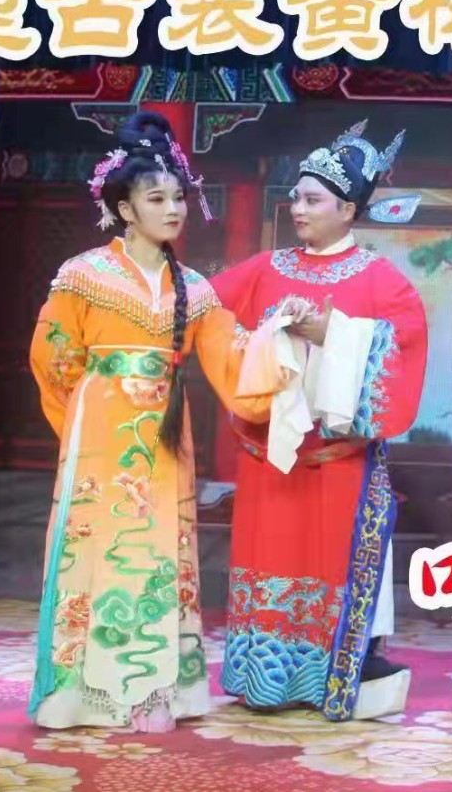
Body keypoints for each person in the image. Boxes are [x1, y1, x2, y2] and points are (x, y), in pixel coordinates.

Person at [26, 111, 281, 731]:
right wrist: (81, 428)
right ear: (124, 208)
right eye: (156, 198)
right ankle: (81, 693)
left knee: (161, 547)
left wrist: (280, 339)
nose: (173, 210)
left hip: (165, 438)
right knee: (98, 551)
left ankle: (156, 687)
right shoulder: (82, 276)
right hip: (99, 436)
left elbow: (233, 359)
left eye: (178, 198)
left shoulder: (194, 288)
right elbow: (52, 359)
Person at [207, 120, 428, 722]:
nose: (298, 210)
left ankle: (329, 677)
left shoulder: (382, 280)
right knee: (269, 563)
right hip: (272, 460)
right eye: (296, 198)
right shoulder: (264, 267)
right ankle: (264, 679)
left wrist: (336, 334)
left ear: (348, 209)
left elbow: (405, 347)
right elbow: (207, 313)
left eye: (313, 200)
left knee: (331, 567)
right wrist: (261, 344)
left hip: (338, 461)